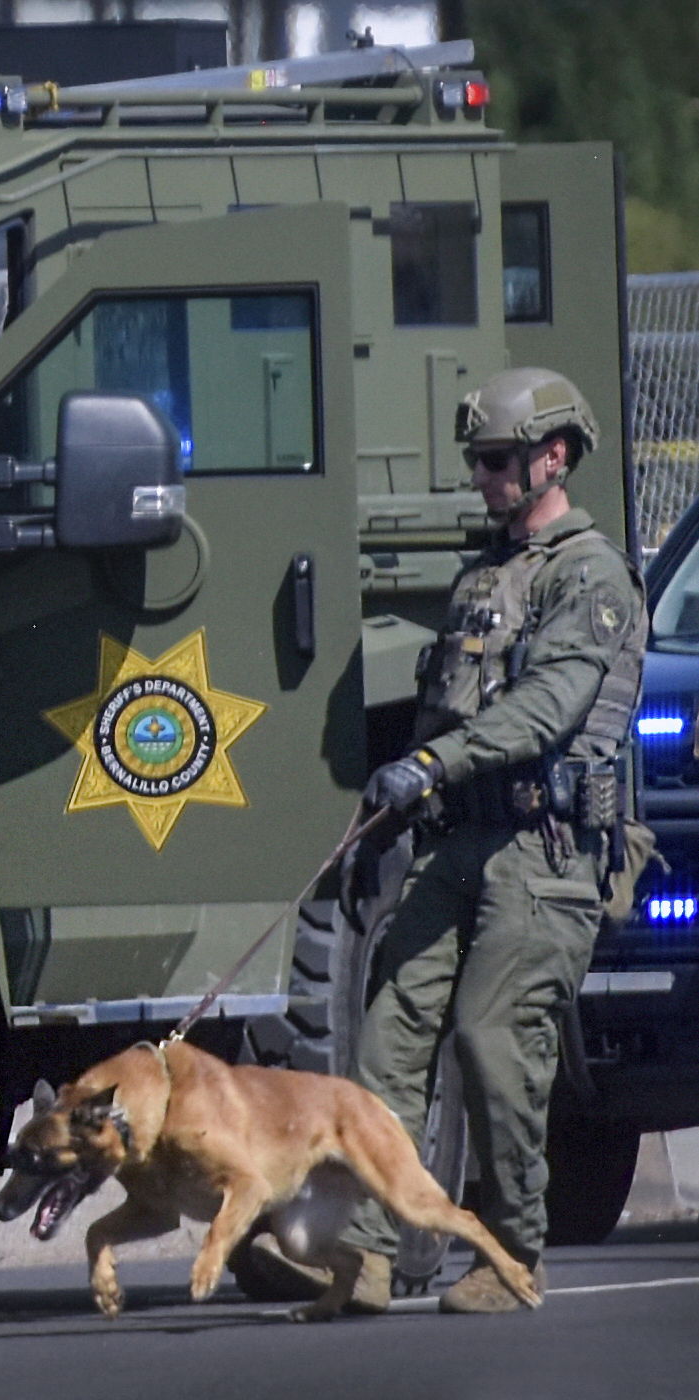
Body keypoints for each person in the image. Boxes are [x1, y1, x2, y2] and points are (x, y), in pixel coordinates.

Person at [255, 368, 646, 1314]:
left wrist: (431, 768)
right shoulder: (483, 575)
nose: (481, 476)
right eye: (476, 459)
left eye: (497, 459)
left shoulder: (588, 577)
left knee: (489, 1040)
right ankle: (366, 1255)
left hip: (542, 853)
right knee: (386, 1042)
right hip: (454, 843)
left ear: (552, 457)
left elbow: (547, 709)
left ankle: (513, 1253)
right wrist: (396, 811)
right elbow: (445, 711)